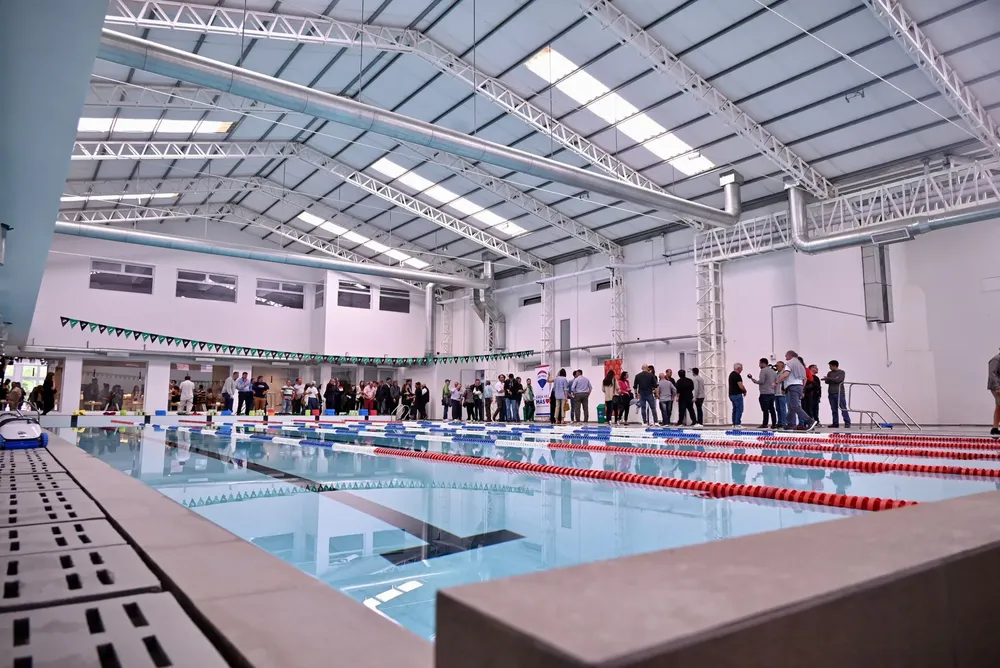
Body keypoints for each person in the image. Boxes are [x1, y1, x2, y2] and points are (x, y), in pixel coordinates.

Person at [775, 350, 814, 430]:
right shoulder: (801, 365)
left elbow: (785, 374)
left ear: (790, 355)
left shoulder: (790, 363)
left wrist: (776, 382)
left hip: (792, 386)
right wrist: (802, 388)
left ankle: (810, 421)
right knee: (791, 406)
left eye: (786, 356)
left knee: (795, 406)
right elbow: (805, 378)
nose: (785, 358)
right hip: (799, 386)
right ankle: (790, 424)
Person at [748, 358, 777, 429]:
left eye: (760, 363)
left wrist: (754, 381)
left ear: (763, 363)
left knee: (765, 409)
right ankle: (774, 424)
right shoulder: (773, 371)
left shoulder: (763, 370)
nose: (759, 365)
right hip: (772, 393)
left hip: (764, 393)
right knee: (772, 409)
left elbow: (761, 381)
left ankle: (765, 424)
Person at [823, 360, 851, 429]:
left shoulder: (841, 372)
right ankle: (835, 423)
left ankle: (847, 422)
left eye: (830, 366)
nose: (829, 367)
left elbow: (839, 380)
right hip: (831, 392)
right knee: (834, 409)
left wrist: (829, 379)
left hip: (839, 392)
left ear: (835, 366)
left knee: (843, 408)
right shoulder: (829, 373)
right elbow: (827, 382)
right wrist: (832, 379)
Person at [773, 361, 787, 427]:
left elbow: (783, 380)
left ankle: (783, 422)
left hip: (782, 393)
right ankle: (779, 422)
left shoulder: (784, 373)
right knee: (778, 409)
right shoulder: (776, 373)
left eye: (778, 366)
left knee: (782, 409)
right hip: (776, 393)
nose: (776, 367)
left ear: (782, 366)